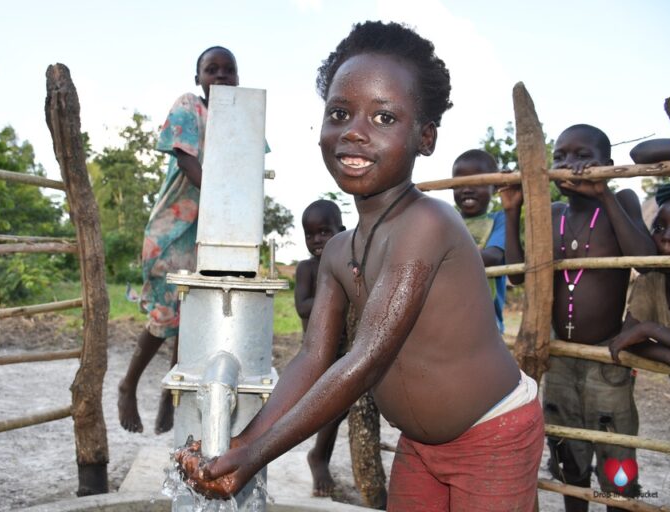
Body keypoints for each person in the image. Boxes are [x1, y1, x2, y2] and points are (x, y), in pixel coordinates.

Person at [177, 21, 544, 511]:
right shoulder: (337, 251)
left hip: (493, 435)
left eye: (384, 118)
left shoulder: (428, 224)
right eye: (340, 112)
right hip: (420, 446)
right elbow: (313, 359)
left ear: (426, 137)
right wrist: (242, 444)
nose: (354, 130)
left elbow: (365, 358)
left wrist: (255, 456)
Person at [500, 124, 656, 511]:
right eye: (561, 157)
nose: (570, 165)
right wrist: (513, 209)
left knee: (615, 454)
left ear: (606, 164)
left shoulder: (622, 200)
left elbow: (645, 260)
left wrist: (605, 192)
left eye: (582, 156)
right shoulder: (551, 213)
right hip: (561, 356)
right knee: (567, 454)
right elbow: (519, 274)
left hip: (607, 357)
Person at [118, 46, 240, 434]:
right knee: (166, 314)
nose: (220, 76)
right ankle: (128, 384)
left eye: (228, 70)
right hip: (173, 229)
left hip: (212, 232)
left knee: (193, 320)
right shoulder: (191, 105)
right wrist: (223, 196)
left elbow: (249, 162)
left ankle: (170, 396)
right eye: (212, 69)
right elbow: (188, 161)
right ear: (198, 78)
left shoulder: (239, 116)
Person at [294, 199, 347, 497]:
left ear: (341, 231)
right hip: (319, 352)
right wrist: (333, 294)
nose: (316, 241)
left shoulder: (347, 265)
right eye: (310, 234)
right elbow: (302, 307)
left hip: (345, 349)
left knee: (339, 408)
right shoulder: (307, 269)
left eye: (324, 232)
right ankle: (319, 458)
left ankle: (320, 455)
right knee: (332, 408)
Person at [608, 182, 670, 392]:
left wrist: (650, 329)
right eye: (659, 227)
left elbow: (639, 333)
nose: (667, 237)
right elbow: (629, 337)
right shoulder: (652, 280)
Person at [452, 149, 508, 332]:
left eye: (478, 182)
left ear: (495, 187)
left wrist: (445, 256)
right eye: (460, 183)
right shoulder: (446, 220)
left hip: (486, 326)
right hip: (447, 321)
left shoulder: (500, 219)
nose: (467, 189)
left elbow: (493, 256)